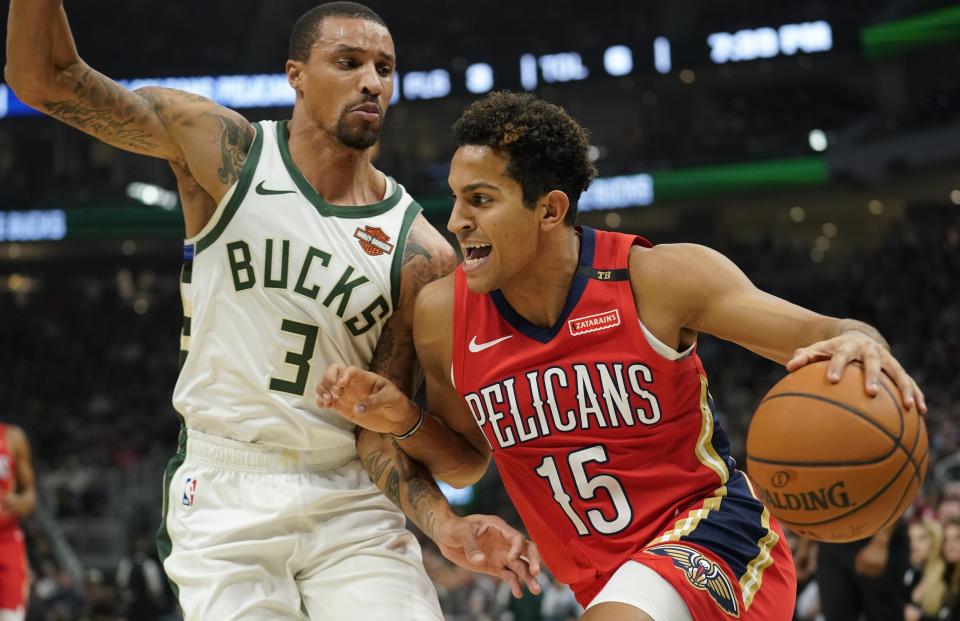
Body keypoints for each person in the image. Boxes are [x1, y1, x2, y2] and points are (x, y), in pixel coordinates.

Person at [5, 3, 538, 619]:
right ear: (296, 75)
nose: (371, 81)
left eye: (384, 68)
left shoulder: (421, 252)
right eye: (348, 62)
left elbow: (376, 430)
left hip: (350, 498)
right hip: (228, 484)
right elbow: (44, 78)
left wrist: (445, 524)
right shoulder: (221, 148)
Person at [317, 90, 929, 620]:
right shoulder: (443, 315)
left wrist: (858, 339)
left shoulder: (656, 279)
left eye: (480, 200)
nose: (455, 221)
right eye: (455, 199)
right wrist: (406, 422)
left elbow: (829, 331)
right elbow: (467, 463)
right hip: (603, 583)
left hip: (715, 540)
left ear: (550, 209)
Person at [0, 422, 36, 621]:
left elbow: (30, 492)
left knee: (11, 617)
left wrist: (20, 502)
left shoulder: (12, 437)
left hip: (6, 541)